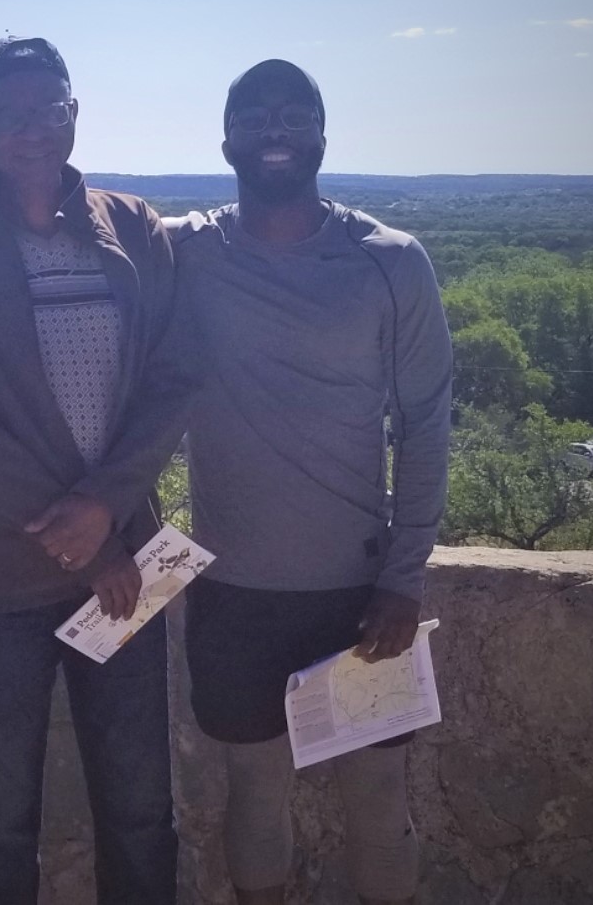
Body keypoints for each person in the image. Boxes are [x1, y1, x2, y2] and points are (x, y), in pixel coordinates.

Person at [0, 36, 195, 905]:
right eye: (10, 114)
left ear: (73, 113)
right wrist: (79, 537)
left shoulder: (132, 227)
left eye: (48, 109)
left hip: (123, 565)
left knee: (142, 811)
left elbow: (175, 374)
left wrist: (103, 510)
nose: (31, 129)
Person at [169, 59, 453, 905]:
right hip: (231, 592)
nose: (274, 129)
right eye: (253, 116)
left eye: (294, 114)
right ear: (225, 140)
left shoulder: (389, 262)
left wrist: (402, 579)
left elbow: (427, 425)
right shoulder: (186, 250)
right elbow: (78, 228)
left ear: (323, 133)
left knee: (375, 800)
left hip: (358, 590)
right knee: (255, 794)